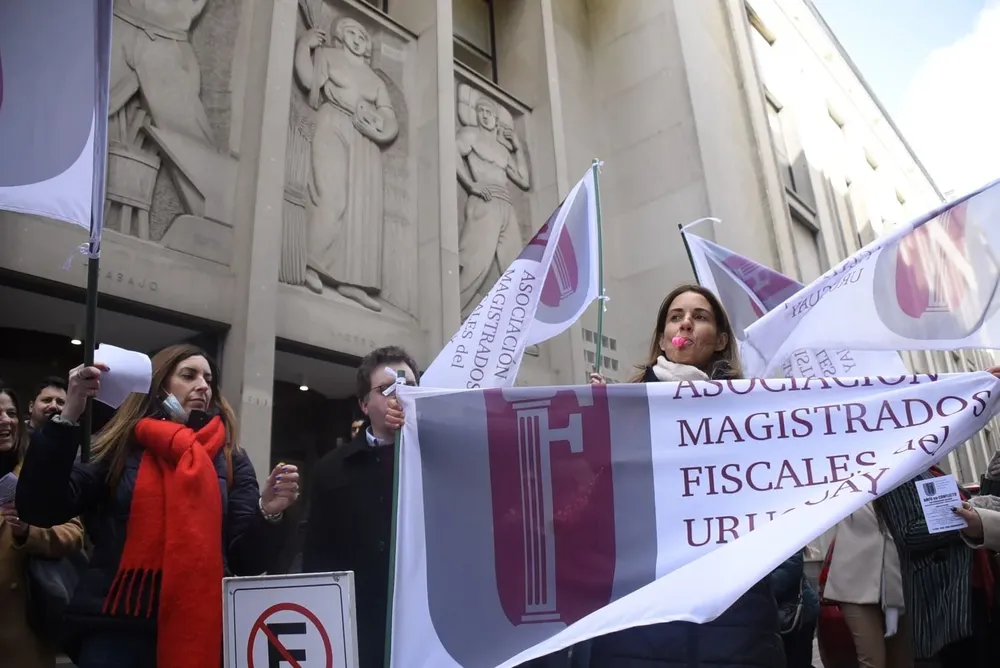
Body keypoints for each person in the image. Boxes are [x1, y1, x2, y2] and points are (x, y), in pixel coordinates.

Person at [15, 345, 301, 668]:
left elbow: (245, 561)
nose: (203, 386)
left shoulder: (230, 457)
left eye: (208, 379)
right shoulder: (119, 445)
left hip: (199, 631)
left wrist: (268, 512)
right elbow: (40, 508)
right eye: (189, 375)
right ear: (158, 386)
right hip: (115, 633)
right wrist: (69, 414)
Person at [587, 284, 784, 668]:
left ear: (721, 340)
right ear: (663, 340)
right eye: (676, 317)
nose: (686, 323)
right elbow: (599, 510)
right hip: (643, 615)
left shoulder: (749, 413)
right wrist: (598, 428)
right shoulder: (624, 409)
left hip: (734, 613)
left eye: (700, 316)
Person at [302, 345, 412, 668]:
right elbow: (317, 559)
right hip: (360, 630)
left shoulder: (438, 458)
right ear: (364, 404)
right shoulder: (332, 469)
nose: (400, 395)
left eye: (409, 385)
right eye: (387, 388)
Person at [0, 382, 85, 668]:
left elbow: (73, 533)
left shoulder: (37, 466)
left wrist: (28, 531)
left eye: (11, 413)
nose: (5, 421)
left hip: (21, 629)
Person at [874, 466, 993, 667]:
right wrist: (965, 521)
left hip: (975, 582)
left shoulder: (930, 469)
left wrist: (992, 480)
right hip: (946, 596)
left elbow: (977, 511)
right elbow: (909, 533)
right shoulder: (898, 472)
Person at [823, 504, 912, 668]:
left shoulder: (902, 490)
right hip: (854, 581)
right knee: (871, 660)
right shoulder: (847, 493)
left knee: (902, 660)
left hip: (901, 581)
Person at [772, 548, 820, 668]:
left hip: (794, 614)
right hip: (770, 616)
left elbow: (789, 571)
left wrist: (754, 590)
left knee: (796, 661)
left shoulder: (783, 540)